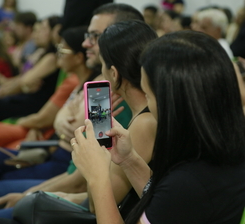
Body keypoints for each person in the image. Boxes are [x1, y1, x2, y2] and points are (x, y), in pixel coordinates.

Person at [0, 3, 153, 223]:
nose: (86, 44)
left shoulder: (135, 117)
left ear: (113, 70)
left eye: (94, 37)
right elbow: (59, 121)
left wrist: (43, 194)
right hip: (71, 172)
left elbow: (94, 194)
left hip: (73, 178)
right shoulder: (102, 92)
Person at [72, 30, 245, 224]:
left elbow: (175, 195)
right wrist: (129, 160)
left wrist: (98, 178)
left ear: (170, 102)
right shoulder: (219, 152)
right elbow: (167, 201)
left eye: (147, 94)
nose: (147, 102)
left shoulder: (190, 181)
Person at [0, 15, 58, 147]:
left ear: (54, 32)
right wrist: (20, 85)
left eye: (42, 29)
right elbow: (23, 79)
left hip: (36, 102)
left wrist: (21, 86)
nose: (36, 33)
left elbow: (25, 80)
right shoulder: (41, 53)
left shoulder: (51, 57)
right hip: (28, 96)